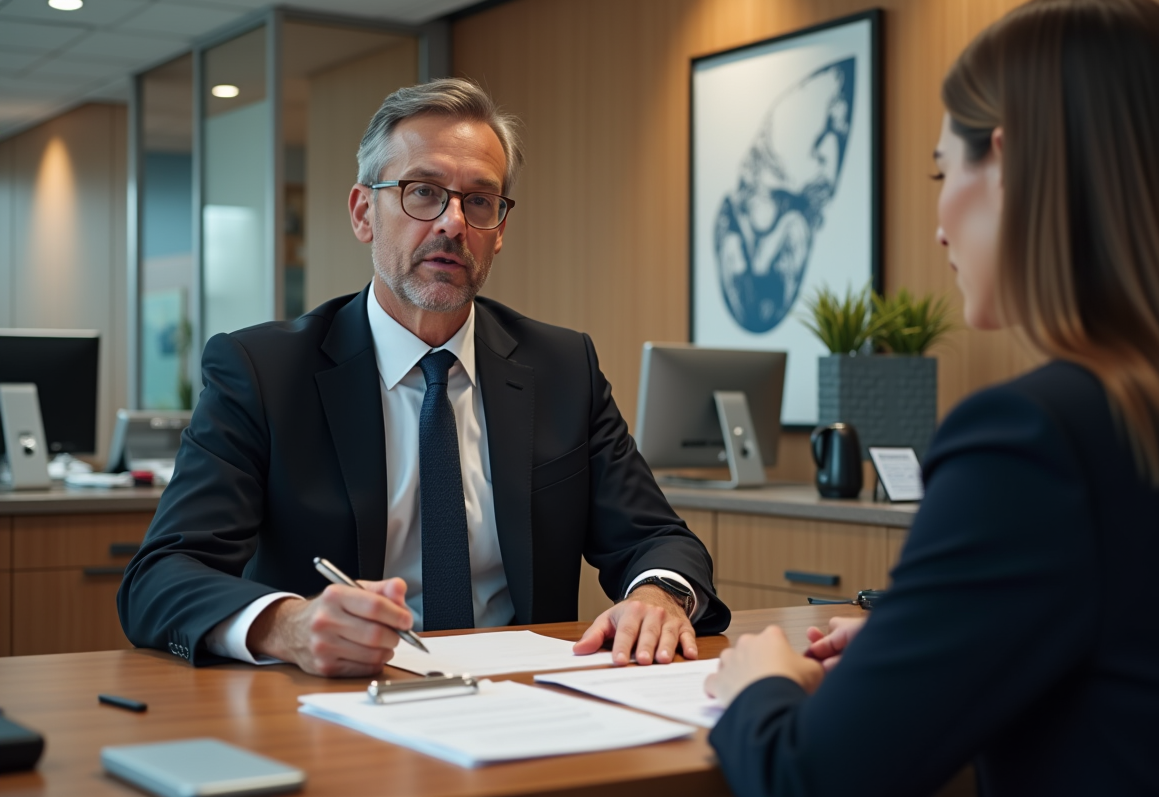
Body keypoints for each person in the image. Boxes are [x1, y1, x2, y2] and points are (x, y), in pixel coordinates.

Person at [704, 0, 1159, 794]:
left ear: (1007, 164)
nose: (938, 225)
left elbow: (811, 779)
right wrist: (924, 645)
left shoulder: (1033, 437)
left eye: (943, 171)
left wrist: (758, 686)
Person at [118, 79, 729, 677]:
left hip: (520, 698)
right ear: (364, 213)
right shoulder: (262, 371)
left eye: (479, 201)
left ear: (499, 232)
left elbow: (657, 539)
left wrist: (658, 596)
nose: (453, 223)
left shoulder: (563, 367)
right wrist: (288, 625)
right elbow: (161, 574)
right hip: (338, 701)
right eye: (423, 192)